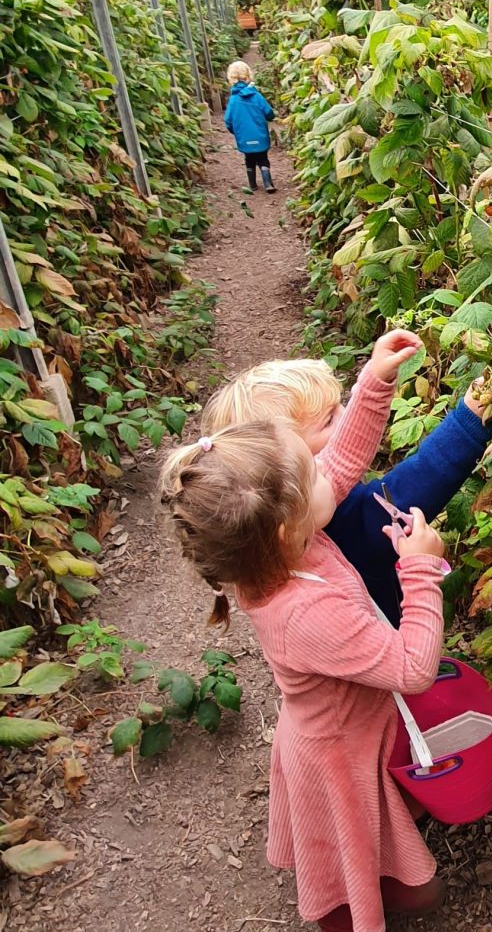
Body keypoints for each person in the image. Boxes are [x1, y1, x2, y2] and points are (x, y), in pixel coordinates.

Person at [160, 331, 448, 932]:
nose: (331, 478)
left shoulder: (272, 548)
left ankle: (384, 877)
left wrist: (375, 381)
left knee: (372, 837)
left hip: (349, 724)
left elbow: (340, 460)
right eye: (313, 478)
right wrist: (420, 569)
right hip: (337, 750)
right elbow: (412, 669)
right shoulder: (304, 613)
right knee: (355, 868)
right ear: (291, 526)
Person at [201, 358, 492, 627]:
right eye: (329, 420)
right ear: (288, 464)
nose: (346, 419)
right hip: (391, 656)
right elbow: (419, 480)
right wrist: (467, 422)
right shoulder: (341, 521)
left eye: (342, 406)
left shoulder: (275, 531)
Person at [223, 60, 277, 194]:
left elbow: (228, 120)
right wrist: (269, 118)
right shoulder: (256, 96)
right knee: (263, 158)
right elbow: (268, 112)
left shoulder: (234, 100)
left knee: (249, 159)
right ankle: (268, 182)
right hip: (260, 134)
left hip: (244, 136)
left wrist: (236, 131)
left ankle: (252, 184)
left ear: (231, 78)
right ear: (248, 76)